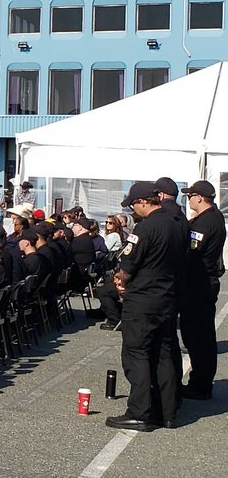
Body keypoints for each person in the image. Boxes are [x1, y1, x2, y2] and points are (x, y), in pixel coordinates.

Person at [107, 182, 187, 431]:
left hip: (143, 299)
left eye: (133, 206)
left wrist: (121, 282)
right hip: (167, 297)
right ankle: (168, 412)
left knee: (136, 353)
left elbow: (128, 265)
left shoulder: (145, 228)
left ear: (143, 201)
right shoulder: (177, 225)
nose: (133, 211)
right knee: (164, 354)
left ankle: (140, 412)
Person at [177, 180, 224, 399]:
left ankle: (200, 384)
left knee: (198, 337)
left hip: (199, 282)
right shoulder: (212, 217)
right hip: (202, 282)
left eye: (189, 196)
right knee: (199, 335)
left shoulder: (205, 223)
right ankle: (200, 382)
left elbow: (192, 252)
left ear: (199, 198)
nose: (188, 200)